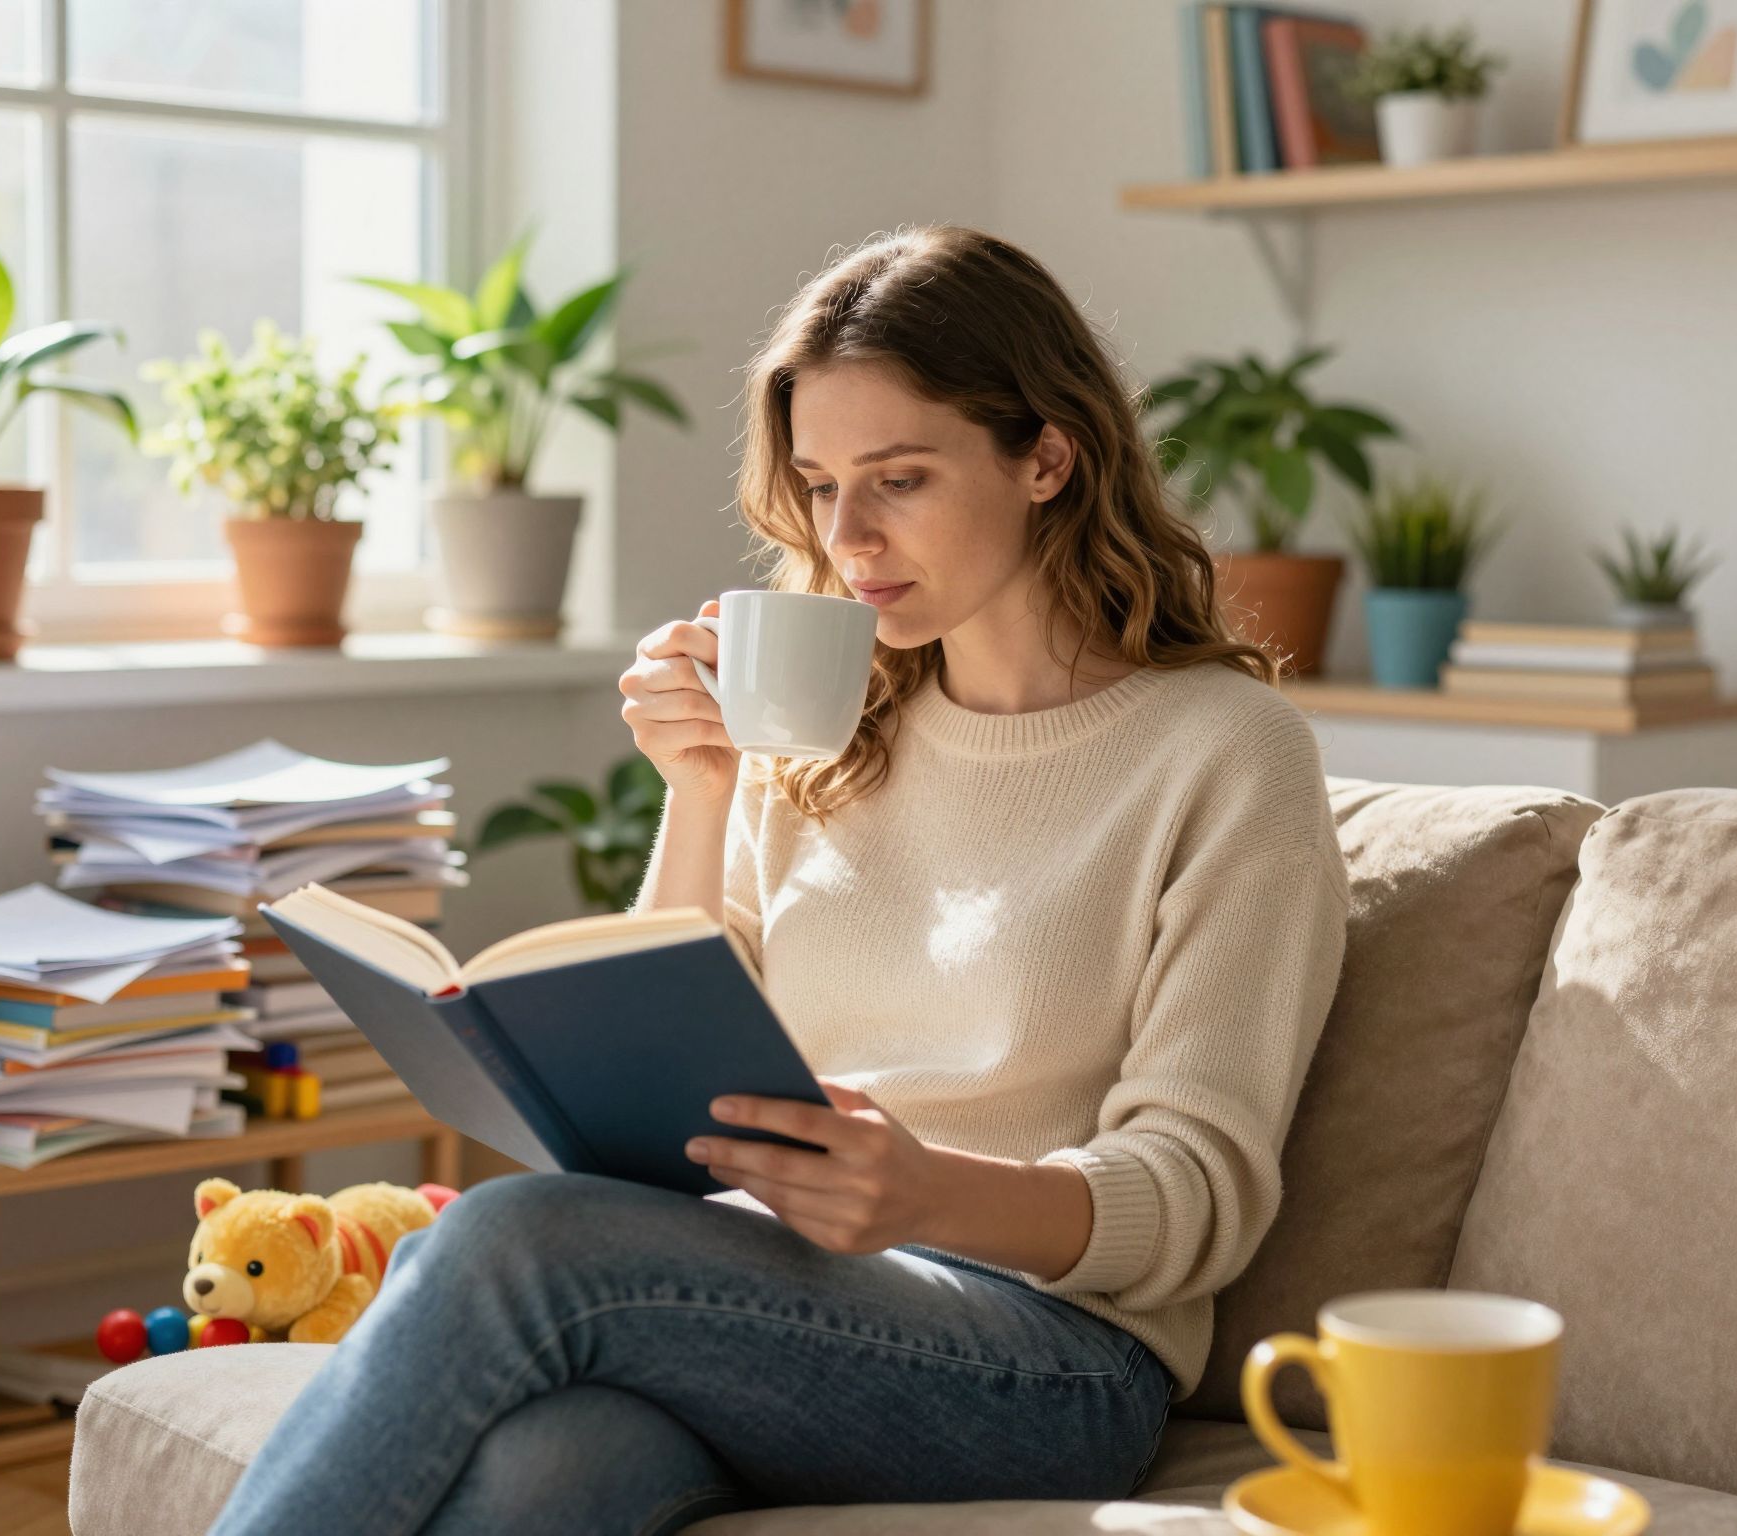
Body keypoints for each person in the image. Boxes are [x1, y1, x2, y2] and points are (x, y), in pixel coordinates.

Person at [206, 224, 1350, 1536]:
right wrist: (702, 785)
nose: (847, 535)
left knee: (502, 1244)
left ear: (1047, 455)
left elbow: (1198, 1192)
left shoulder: (1224, 753)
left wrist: (928, 1191)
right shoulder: (822, 720)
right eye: (816, 484)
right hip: (787, 1300)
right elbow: (671, 1037)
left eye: (900, 479)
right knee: (549, 1474)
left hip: (1051, 1357)